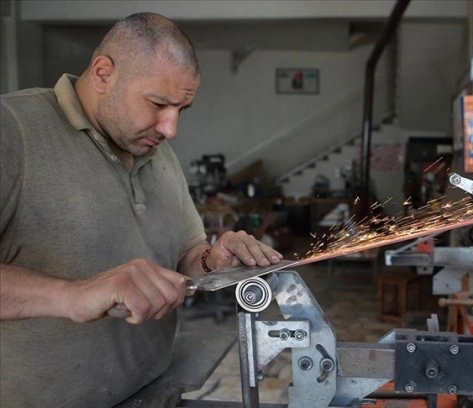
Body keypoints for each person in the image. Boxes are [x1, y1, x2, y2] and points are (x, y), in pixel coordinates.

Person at [0, 12, 282, 407]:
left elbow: (186, 256)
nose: (170, 129)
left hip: (151, 393)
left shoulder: (158, 153)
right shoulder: (13, 130)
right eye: (157, 103)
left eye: (181, 110)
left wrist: (212, 258)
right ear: (103, 73)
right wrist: (72, 294)